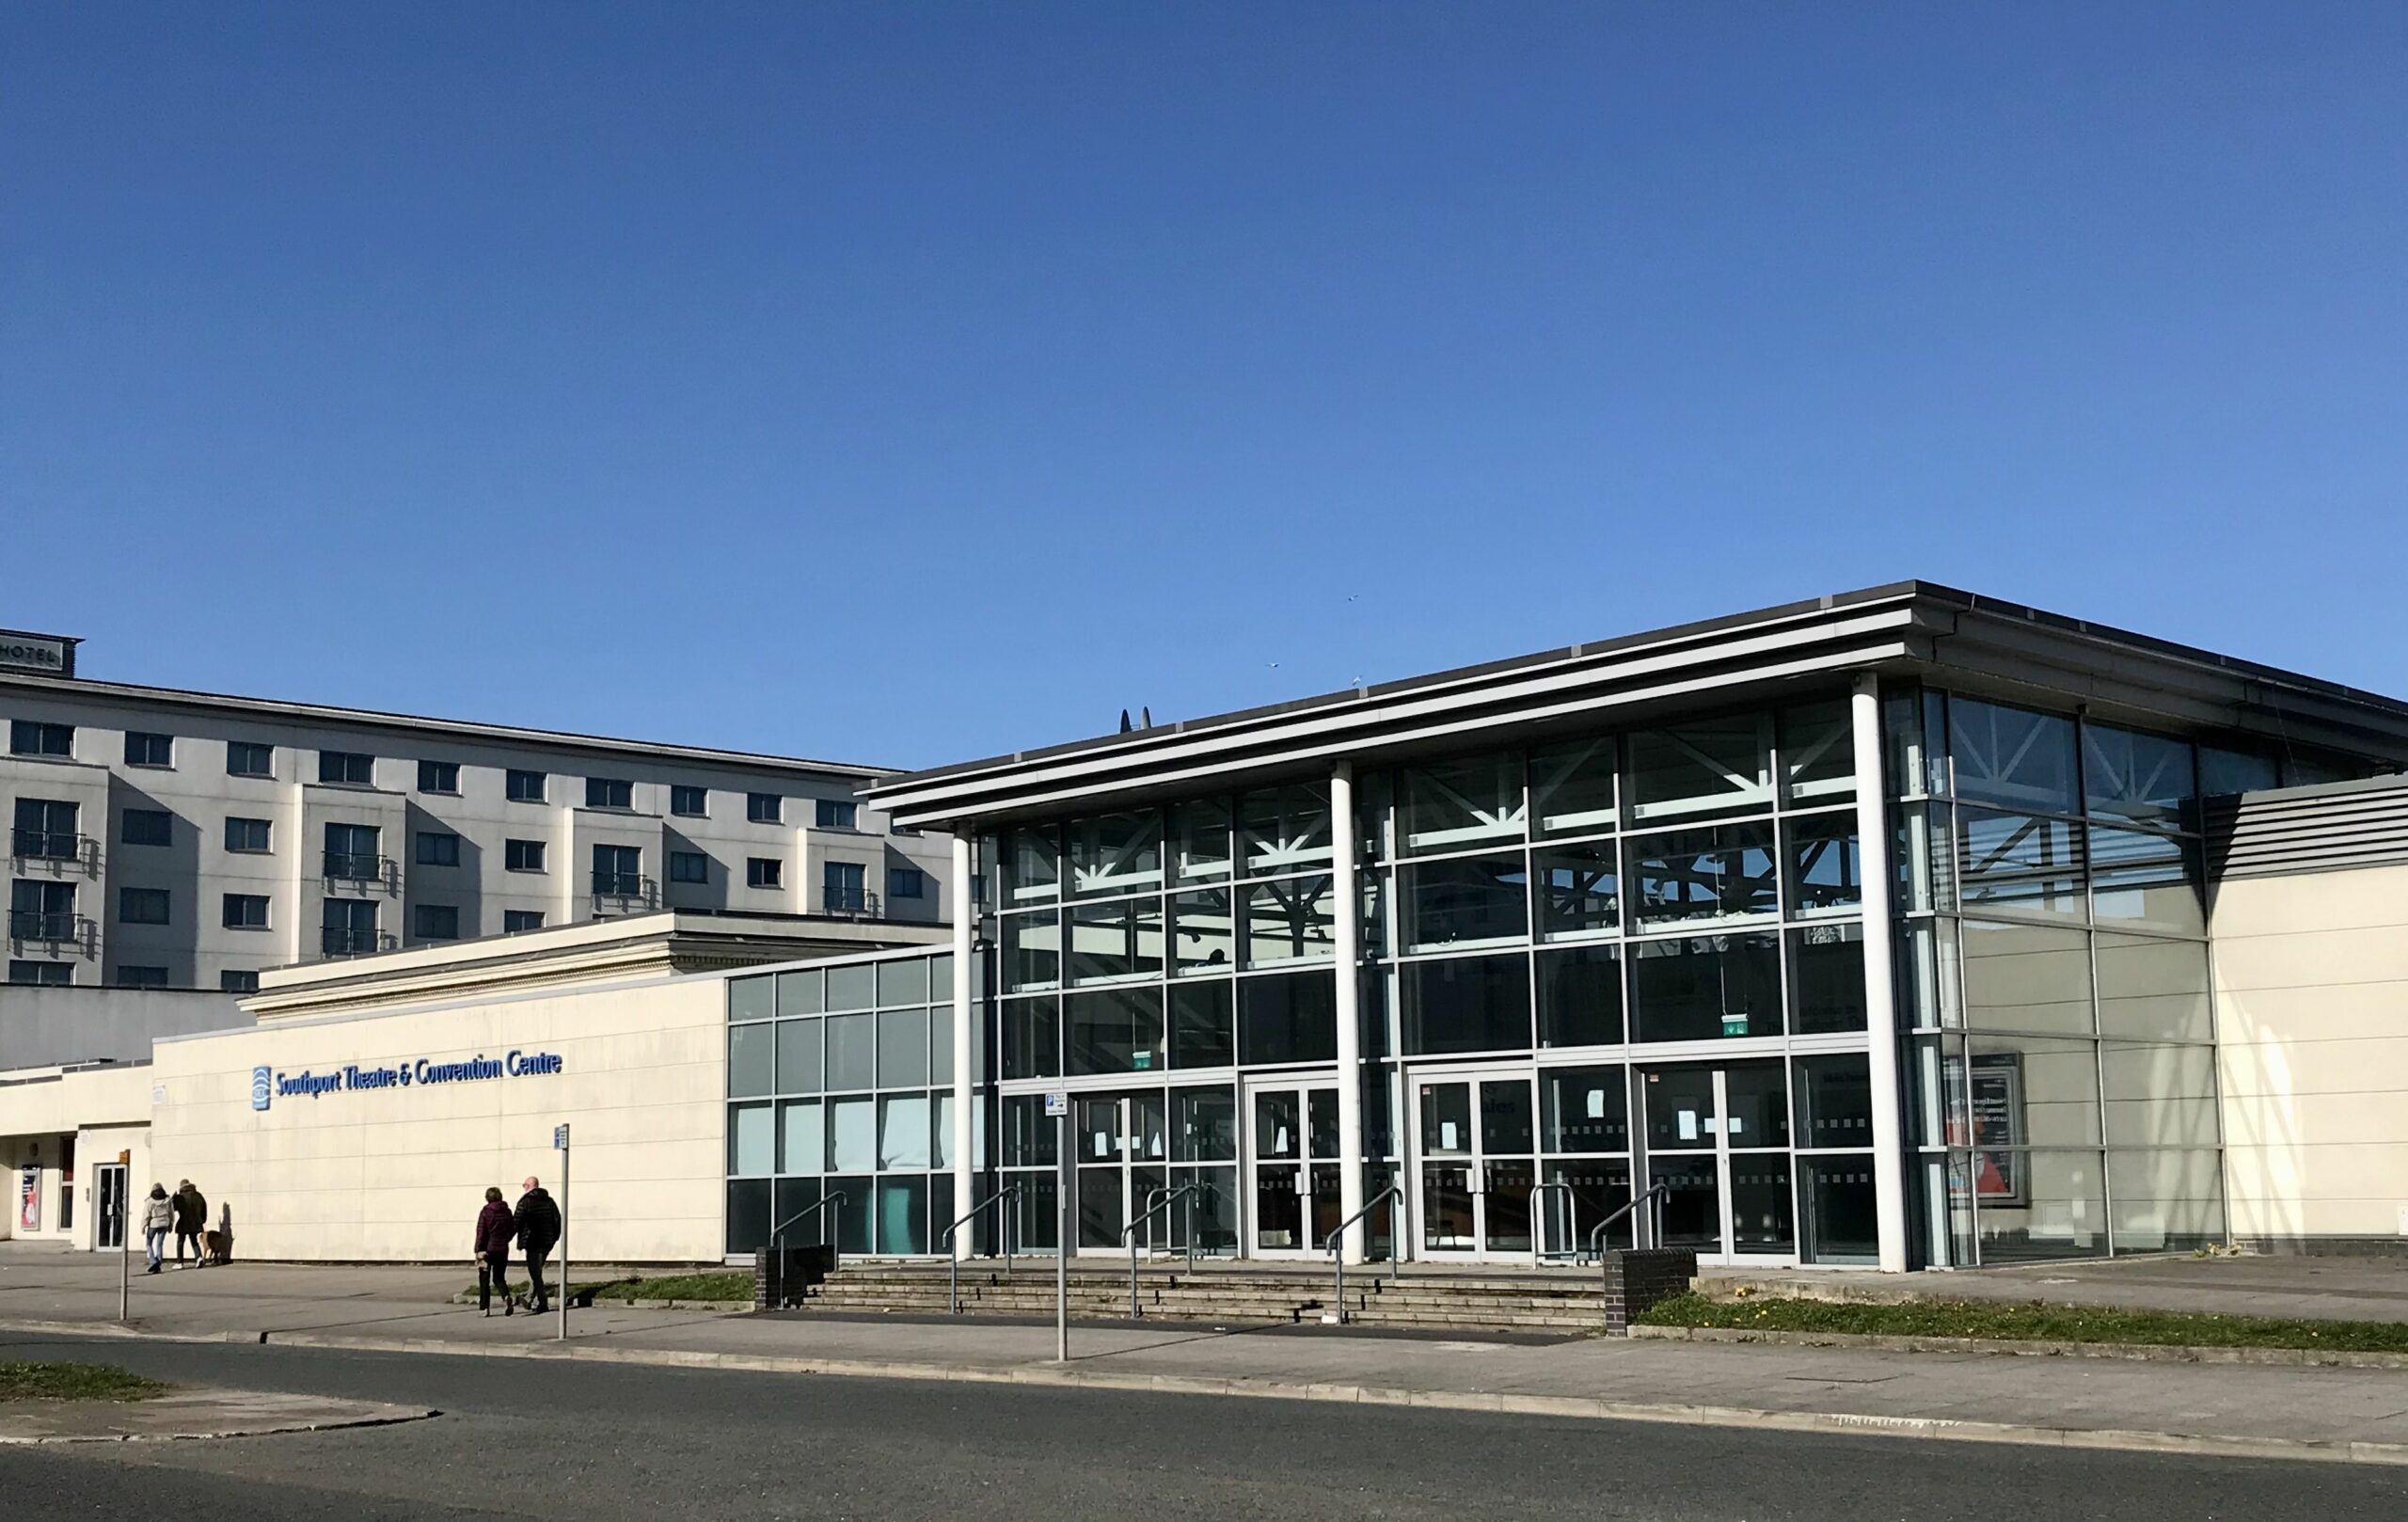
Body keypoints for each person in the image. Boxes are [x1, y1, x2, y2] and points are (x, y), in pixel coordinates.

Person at [512, 1176, 562, 1314]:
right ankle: (530, 1298)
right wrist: (553, 1238)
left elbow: (516, 1222)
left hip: (532, 1241)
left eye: (524, 1185)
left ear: (528, 1186)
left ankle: (541, 1302)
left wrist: (506, 1238)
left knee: (535, 1273)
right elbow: (557, 1220)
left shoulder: (525, 1202)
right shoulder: (549, 1201)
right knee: (536, 1271)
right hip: (547, 1242)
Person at [473, 1187, 515, 1316]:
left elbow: (481, 1232)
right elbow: (512, 1228)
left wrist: (478, 1249)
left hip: (487, 1251)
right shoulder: (507, 1211)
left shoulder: (486, 1212)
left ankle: (484, 1308)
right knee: (499, 1277)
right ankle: (506, 1296)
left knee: (484, 1279)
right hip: (502, 1249)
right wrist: (505, 1240)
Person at [171, 1180, 208, 1268]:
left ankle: (180, 1262)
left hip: (183, 1221)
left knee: (180, 1242)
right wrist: (202, 1220)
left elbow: (174, 1208)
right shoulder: (198, 1195)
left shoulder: (180, 1197)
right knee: (194, 1241)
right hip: (195, 1222)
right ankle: (199, 1257)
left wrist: (173, 1198)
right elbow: (204, 1208)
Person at [140, 1184, 173, 1275]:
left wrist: (143, 1227)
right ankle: (158, 1263)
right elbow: (171, 1213)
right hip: (165, 1223)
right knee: (159, 1244)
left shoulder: (150, 1201)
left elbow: (146, 1215)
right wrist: (171, 1224)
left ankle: (153, 1261)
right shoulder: (168, 1200)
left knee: (148, 1243)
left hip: (154, 1223)